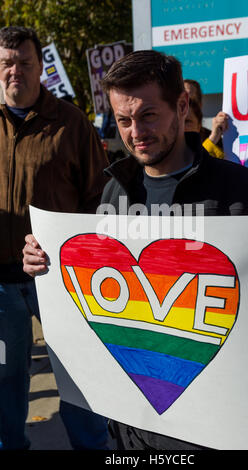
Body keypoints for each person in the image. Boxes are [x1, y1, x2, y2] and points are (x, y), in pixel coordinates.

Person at [24, 49, 248, 451]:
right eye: (123, 120)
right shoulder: (114, 191)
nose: (135, 132)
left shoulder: (241, 190)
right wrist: (46, 260)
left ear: (182, 105)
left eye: (148, 115)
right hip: (133, 430)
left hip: (220, 423)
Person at [0, 26, 110, 450]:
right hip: (2, 285)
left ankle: (95, 451)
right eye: (7, 63)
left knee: (78, 374)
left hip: (60, 278)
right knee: (6, 378)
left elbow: (98, 195)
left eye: (24, 63)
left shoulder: (70, 122)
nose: (15, 72)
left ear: (40, 66)